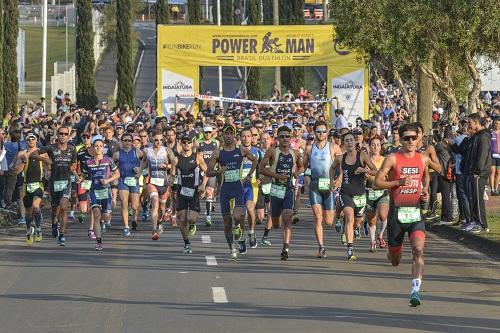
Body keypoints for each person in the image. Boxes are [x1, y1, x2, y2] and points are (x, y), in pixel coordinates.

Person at [374, 123, 430, 307]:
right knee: (395, 261)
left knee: (418, 250)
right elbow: (377, 183)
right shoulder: (392, 159)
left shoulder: (423, 159)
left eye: (414, 137)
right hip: (396, 215)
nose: (411, 141)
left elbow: (424, 179)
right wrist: (398, 182)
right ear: (400, 139)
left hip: (415, 214)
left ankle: (415, 291)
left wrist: (425, 192)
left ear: (418, 138)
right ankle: (392, 252)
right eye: (407, 138)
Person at [206, 124, 257, 260]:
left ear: (234, 135)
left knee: (237, 216)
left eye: (231, 133)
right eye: (226, 133)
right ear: (222, 135)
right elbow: (208, 171)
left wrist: (249, 176)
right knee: (227, 222)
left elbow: (255, 160)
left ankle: (240, 236)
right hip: (225, 190)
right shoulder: (218, 152)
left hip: (238, 188)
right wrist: (219, 171)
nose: (228, 136)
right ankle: (232, 249)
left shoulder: (241, 150)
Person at [331, 132, 378, 261]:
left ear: (355, 142)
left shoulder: (362, 156)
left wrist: (365, 170)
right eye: (346, 141)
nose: (349, 143)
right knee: (349, 217)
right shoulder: (340, 158)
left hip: (360, 194)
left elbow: (376, 171)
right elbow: (332, 168)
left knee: (357, 221)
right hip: (345, 192)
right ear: (343, 143)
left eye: (351, 140)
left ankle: (357, 227)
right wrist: (332, 181)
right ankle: (350, 248)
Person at [259, 125, 303, 260]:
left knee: (287, 217)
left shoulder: (295, 153)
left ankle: (286, 247)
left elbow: (301, 166)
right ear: (277, 138)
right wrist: (277, 176)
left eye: (287, 136)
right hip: (275, 190)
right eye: (282, 136)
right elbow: (261, 169)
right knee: (277, 224)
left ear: (291, 138)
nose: (284, 139)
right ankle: (279, 221)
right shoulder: (272, 152)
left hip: (288, 190)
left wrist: (296, 173)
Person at [302, 120, 341, 258]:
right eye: (318, 131)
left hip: (329, 187)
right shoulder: (309, 149)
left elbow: (342, 165)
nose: (321, 133)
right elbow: (303, 166)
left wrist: (339, 179)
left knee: (328, 221)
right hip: (314, 186)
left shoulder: (334, 147)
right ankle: (321, 247)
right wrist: (303, 177)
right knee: (318, 218)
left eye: (324, 131)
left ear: (327, 131)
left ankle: (338, 217)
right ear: (314, 132)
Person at [136, 131, 177, 240]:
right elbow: (143, 162)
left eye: (160, 140)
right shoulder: (147, 151)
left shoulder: (167, 150)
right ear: (152, 139)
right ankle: (154, 230)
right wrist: (139, 174)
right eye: (156, 140)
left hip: (163, 182)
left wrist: (167, 166)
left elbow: (175, 161)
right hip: (152, 181)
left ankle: (159, 222)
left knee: (162, 208)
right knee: (155, 203)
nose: (158, 142)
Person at [42, 125, 78, 246]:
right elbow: (34, 153)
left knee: (63, 207)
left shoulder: (72, 149)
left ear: (69, 136)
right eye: (61, 134)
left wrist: (72, 168)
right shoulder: (50, 148)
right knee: (55, 209)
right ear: (57, 135)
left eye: (65, 134)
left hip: (66, 182)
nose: (63, 136)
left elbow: (74, 164)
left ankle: (62, 234)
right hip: (54, 182)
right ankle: (54, 224)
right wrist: (45, 160)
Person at [83, 137, 120, 251]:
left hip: (105, 191)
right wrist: (82, 182)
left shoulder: (108, 160)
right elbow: (85, 177)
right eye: (96, 146)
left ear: (103, 148)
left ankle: (108, 215)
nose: (98, 148)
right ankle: (99, 242)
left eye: (100, 146)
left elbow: (117, 174)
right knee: (96, 214)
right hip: (94, 191)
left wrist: (108, 180)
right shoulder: (88, 162)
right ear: (92, 148)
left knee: (106, 216)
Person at [15, 132, 51, 245]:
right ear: (26, 141)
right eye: (28, 139)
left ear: (36, 140)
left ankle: (39, 228)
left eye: (33, 139)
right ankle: (29, 230)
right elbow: (17, 170)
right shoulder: (22, 153)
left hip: (38, 184)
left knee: (36, 206)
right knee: (28, 213)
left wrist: (46, 169)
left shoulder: (42, 152)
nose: (31, 141)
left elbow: (49, 164)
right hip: (26, 185)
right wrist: (24, 160)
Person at [176, 134, 208, 254]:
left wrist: (203, 185)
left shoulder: (198, 158)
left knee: (192, 218)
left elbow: (207, 171)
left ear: (192, 144)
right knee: (182, 219)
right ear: (181, 143)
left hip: (194, 190)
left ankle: (193, 224)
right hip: (181, 191)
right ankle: (187, 243)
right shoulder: (176, 159)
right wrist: (170, 180)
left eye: (188, 142)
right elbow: (172, 174)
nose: (186, 144)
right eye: (184, 142)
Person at [464, 113, 492, 233]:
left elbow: (482, 155)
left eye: (470, 122)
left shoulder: (483, 136)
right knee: (473, 198)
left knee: (478, 199)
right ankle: (475, 221)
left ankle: (482, 224)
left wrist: (477, 171)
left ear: (476, 123)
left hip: (479, 173)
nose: (468, 125)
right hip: (472, 172)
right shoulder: (475, 136)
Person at [114, 133, 143, 236]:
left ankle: (134, 219)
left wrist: (140, 170)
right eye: (125, 140)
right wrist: (115, 173)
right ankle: (126, 226)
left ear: (132, 141)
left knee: (135, 206)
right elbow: (111, 165)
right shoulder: (117, 154)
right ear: (122, 142)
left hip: (134, 180)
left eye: (129, 140)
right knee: (124, 202)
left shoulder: (138, 152)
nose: (127, 142)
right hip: (123, 180)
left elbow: (146, 162)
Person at [364, 136, 389, 252]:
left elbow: (389, 175)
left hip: (382, 192)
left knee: (383, 216)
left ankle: (380, 235)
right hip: (369, 192)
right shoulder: (365, 160)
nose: (375, 147)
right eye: (373, 145)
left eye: (378, 145)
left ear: (380, 147)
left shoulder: (385, 160)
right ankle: (372, 241)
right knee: (371, 219)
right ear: (369, 147)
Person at [197, 125, 219, 226]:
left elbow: (218, 156)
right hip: (201, 172)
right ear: (203, 133)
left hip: (212, 171)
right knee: (200, 193)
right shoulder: (199, 143)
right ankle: (194, 213)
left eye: (210, 132)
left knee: (210, 193)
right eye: (206, 132)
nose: (208, 134)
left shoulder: (216, 143)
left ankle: (208, 216)